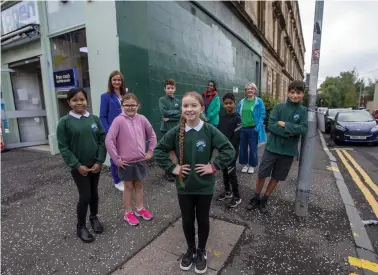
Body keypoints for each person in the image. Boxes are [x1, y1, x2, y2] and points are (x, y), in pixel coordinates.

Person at [154, 91, 235, 274]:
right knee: (188, 219)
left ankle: (201, 251)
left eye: (193, 105)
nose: (189, 109)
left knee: (203, 218)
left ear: (201, 108)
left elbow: (228, 150)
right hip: (184, 186)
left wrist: (213, 166)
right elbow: (159, 150)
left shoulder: (209, 130)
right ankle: (190, 249)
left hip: (204, 186)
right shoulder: (176, 131)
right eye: (185, 106)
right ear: (181, 108)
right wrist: (173, 168)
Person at [247, 80, 308, 213]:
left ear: (303, 94)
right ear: (288, 93)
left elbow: (303, 129)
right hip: (272, 148)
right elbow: (271, 125)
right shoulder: (279, 107)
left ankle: (265, 199)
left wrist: (285, 125)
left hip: (288, 152)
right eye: (292, 92)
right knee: (262, 174)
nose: (295, 95)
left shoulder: (303, 111)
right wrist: (290, 133)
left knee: (276, 177)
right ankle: (256, 197)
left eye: (298, 93)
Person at [57, 88, 106, 243]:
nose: (79, 103)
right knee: (85, 196)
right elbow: (63, 147)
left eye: (82, 99)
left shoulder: (94, 119)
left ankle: (93, 217)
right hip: (79, 168)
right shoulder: (64, 122)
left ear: (87, 101)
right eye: (75, 100)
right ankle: (80, 226)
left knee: (94, 194)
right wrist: (77, 165)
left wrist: (99, 161)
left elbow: (101, 140)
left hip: (95, 166)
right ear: (69, 102)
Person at [105, 93, 157, 226]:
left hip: (140, 160)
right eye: (126, 105)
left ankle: (140, 209)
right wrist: (117, 160)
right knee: (128, 187)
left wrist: (150, 151)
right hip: (125, 162)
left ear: (138, 106)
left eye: (133, 105)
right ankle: (128, 212)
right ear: (122, 106)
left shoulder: (142, 119)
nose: (130, 107)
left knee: (139, 185)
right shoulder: (118, 121)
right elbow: (109, 140)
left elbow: (152, 136)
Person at [100, 70, 128, 192]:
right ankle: (117, 181)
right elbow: (102, 116)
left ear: (122, 82)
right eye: (114, 80)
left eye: (119, 80)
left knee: (126, 154)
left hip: (126, 130)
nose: (117, 82)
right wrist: (108, 130)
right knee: (114, 157)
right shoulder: (105, 96)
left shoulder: (126, 95)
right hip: (113, 131)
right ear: (111, 82)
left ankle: (125, 176)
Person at [216, 93, 242, 208]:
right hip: (223, 151)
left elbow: (236, 138)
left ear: (235, 104)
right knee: (224, 171)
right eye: (226, 103)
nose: (228, 105)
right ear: (223, 105)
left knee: (232, 173)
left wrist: (227, 150)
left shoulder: (237, 118)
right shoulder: (221, 118)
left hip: (232, 152)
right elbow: (219, 135)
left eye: (230, 103)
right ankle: (227, 191)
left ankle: (237, 196)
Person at [237, 82, 267, 174]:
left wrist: (257, 128)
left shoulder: (259, 101)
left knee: (253, 149)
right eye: (248, 89)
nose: (250, 90)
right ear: (245, 91)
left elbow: (262, 115)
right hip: (243, 129)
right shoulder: (242, 102)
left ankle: (252, 165)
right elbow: (238, 114)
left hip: (253, 129)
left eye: (252, 89)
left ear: (255, 90)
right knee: (243, 148)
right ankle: (245, 164)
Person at [159, 79, 181, 182]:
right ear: (165, 89)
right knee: (169, 152)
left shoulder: (177, 101)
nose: (170, 90)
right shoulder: (162, 100)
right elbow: (164, 113)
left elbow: (181, 114)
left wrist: (171, 117)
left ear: (175, 89)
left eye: (172, 88)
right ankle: (168, 172)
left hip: (175, 128)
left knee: (176, 151)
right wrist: (175, 113)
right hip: (166, 129)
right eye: (168, 88)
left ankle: (175, 170)